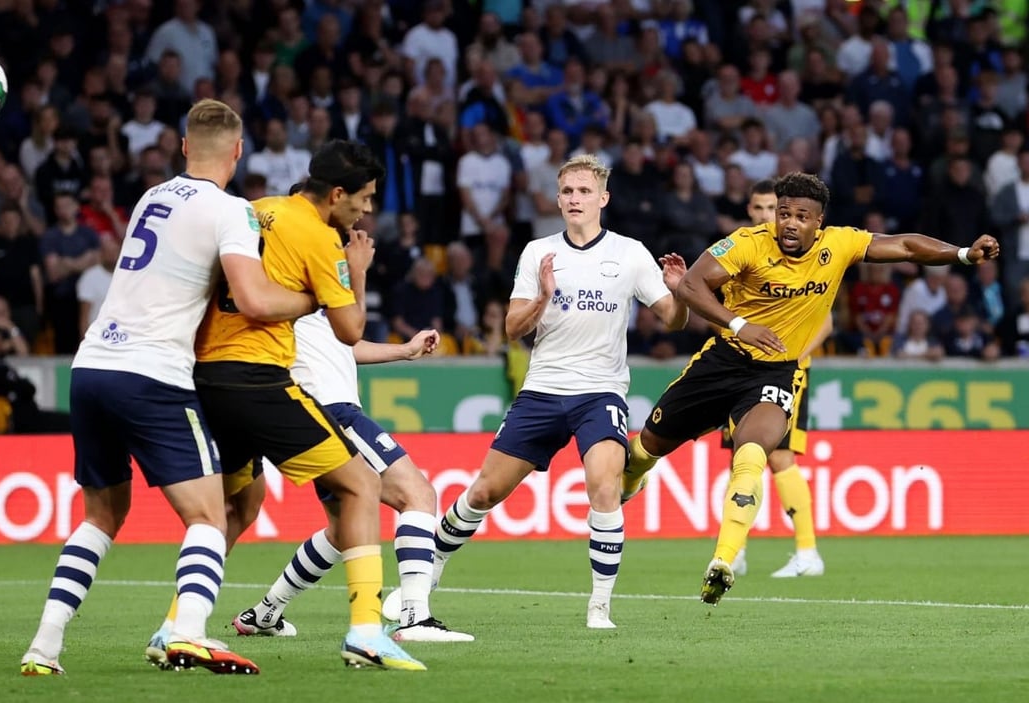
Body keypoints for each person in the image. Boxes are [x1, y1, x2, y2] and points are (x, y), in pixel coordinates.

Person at [18, 100, 318, 676]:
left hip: (92, 365)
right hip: (153, 372)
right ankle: (188, 633)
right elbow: (253, 301)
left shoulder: (150, 197)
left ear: (183, 148)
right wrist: (315, 299)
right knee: (210, 515)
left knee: (101, 515)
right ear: (237, 152)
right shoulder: (232, 210)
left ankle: (45, 646)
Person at [622, 172, 999, 605]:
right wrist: (742, 325)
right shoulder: (746, 243)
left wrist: (965, 254)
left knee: (754, 451)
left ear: (819, 222)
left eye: (802, 216)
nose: (790, 223)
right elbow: (691, 285)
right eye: (784, 214)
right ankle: (635, 477)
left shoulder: (838, 244)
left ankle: (723, 560)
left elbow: (906, 246)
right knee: (645, 449)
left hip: (775, 373)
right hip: (721, 361)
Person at [146, 141, 427, 671]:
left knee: (236, 507)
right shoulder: (319, 237)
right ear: (337, 193)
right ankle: (367, 631)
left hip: (202, 376)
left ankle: (175, 627)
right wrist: (330, 284)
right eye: (363, 199)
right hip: (257, 378)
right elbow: (349, 330)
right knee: (361, 484)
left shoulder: (250, 210)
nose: (366, 211)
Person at [405, 155, 689, 630]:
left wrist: (679, 293)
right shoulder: (539, 253)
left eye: (583, 191)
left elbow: (673, 321)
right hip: (542, 391)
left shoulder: (630, 253)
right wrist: (543, 296)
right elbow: (513, 329)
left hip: (600, 393)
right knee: (484, 491)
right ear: (557, 199)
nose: (574, 199)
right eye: (567, 192)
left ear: (603, 199)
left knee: (604, 485)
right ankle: (427, 574)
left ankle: (600, 606)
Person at [226, 317, 474, 643]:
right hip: (332, 409)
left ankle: (265, 612)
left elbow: (346, 346)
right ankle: (415, 618)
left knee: (342, 530)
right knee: (418, 495)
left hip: (315, 412)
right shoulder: (297, 283)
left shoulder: (311, 299)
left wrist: (405, 350)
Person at [720, 179, 831, 578]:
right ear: (750, 210)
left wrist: (795, 358)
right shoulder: (742, 249)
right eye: (762, 208)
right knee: (743, 457)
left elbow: (826, 319)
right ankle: (737, 549)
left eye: (776, 208)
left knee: (778, 455)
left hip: (784, 369)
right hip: (740, 367)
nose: (770, 216)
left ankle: (807, 552)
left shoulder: (808, 254)